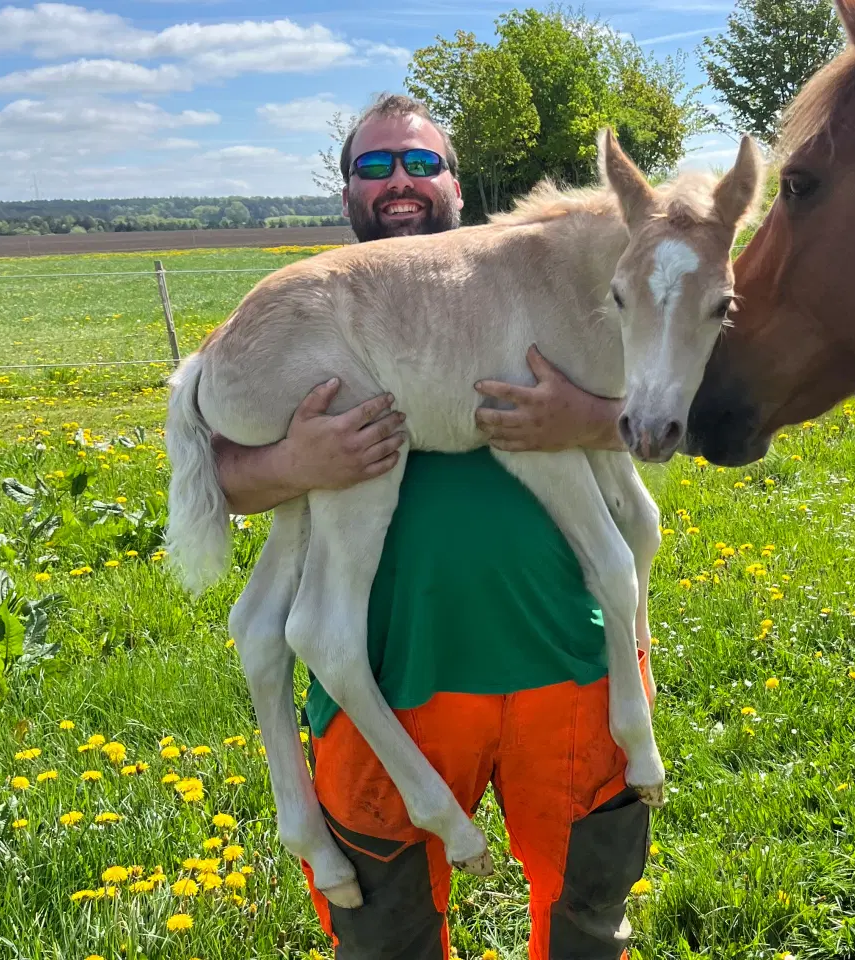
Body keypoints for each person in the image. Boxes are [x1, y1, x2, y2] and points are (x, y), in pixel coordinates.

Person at [214, 94, 654, 960]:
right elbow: (217, 473)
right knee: (388, 939)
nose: (401, 182)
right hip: (392, 672)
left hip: (564, 662)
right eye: (374, 167)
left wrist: (591, 416)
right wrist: (295, 464)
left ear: (458, 183)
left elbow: (690, 407)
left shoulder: (550, 290)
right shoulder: (311, 313)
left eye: (421, 163)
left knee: (585, 923)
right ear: (346, 193)